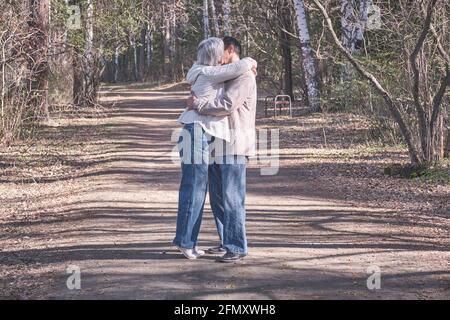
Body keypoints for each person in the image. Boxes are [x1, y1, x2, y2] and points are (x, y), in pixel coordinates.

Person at [173, 37, 257, 260]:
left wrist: (197, 104)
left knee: (232, 197)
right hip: (217, 142)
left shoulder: (244, 76)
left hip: (235, 144)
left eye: (222, 53)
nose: (219, 58)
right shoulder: (224, 73)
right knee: (218, 198)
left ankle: (236, 246)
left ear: (230, 51)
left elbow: (226, 105)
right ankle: (225, 241)